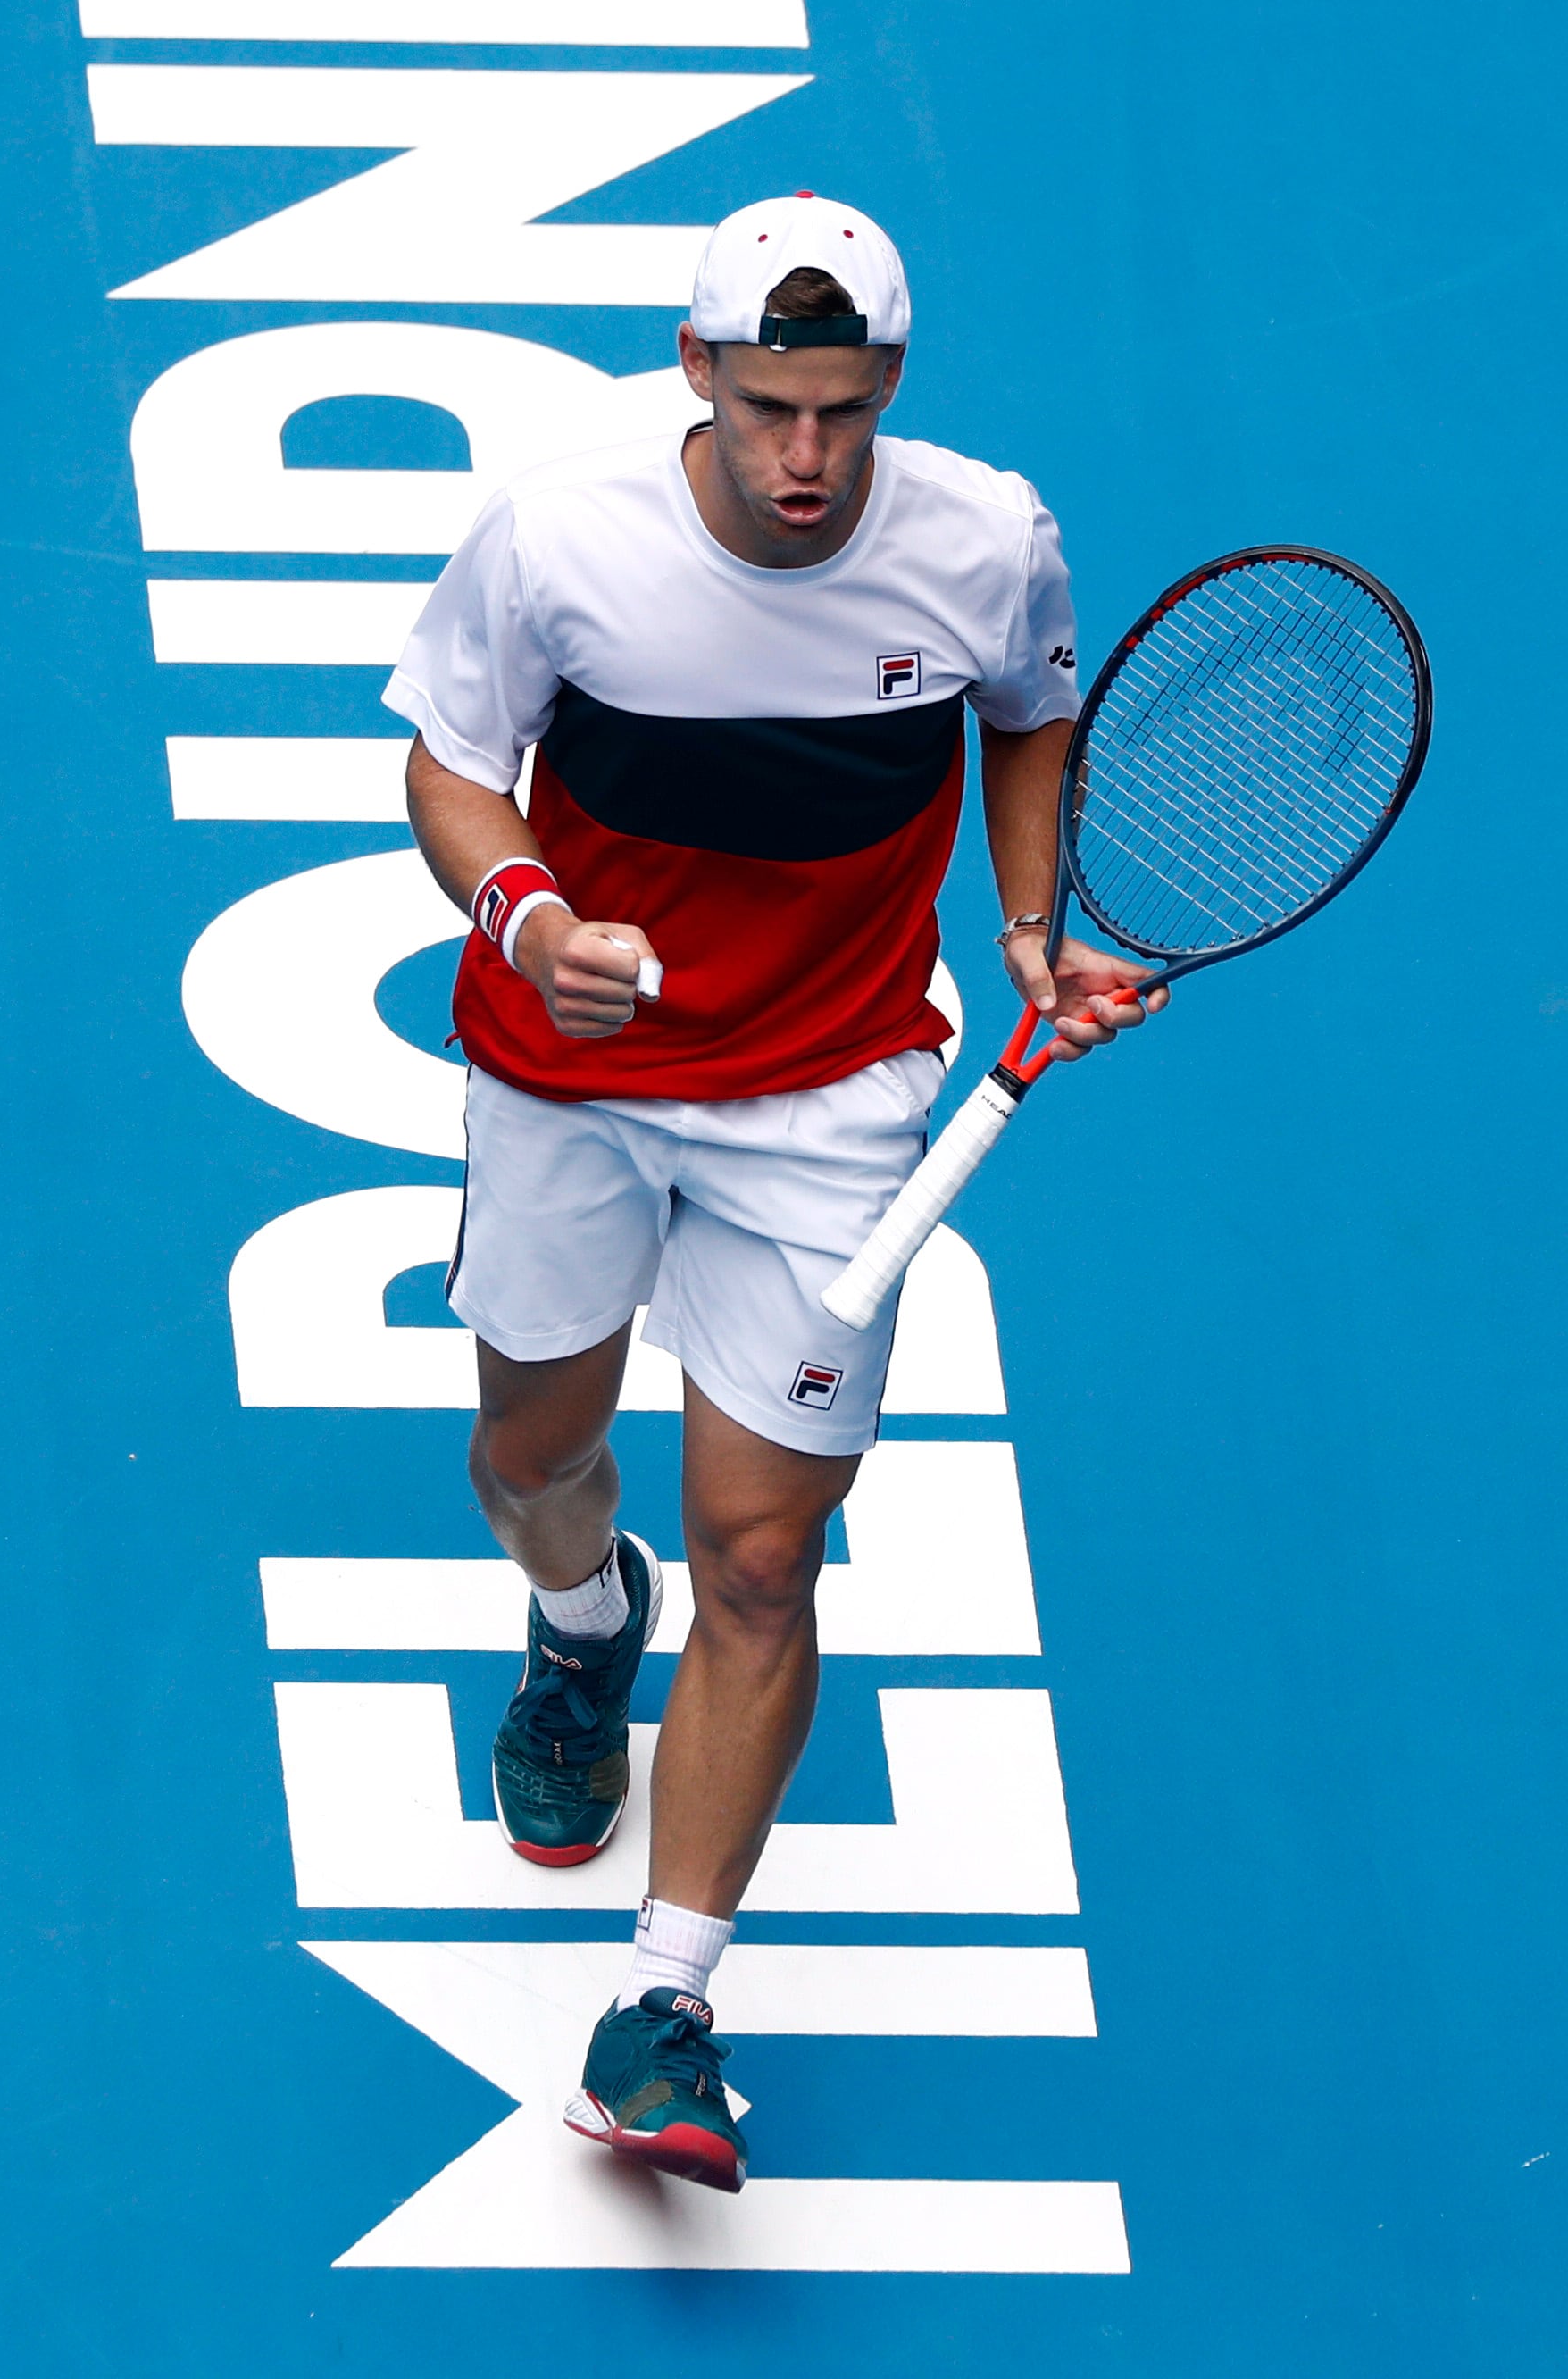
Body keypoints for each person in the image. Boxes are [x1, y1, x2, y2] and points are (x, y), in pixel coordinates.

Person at [383, 194, 1153, 2195]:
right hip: (572, 1069)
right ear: (695, 375)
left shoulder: (988, 538)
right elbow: (449, 764)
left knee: (764, 1556)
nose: (809, 455)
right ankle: (573, 1623)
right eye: (770, 405)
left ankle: (670, 2002)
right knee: (530, 1452)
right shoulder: (562, 544)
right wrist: (523, 903)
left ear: (888, 385)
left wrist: (1029, 925)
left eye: (845, 406)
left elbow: (1027, 708)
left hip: (829, 1100)